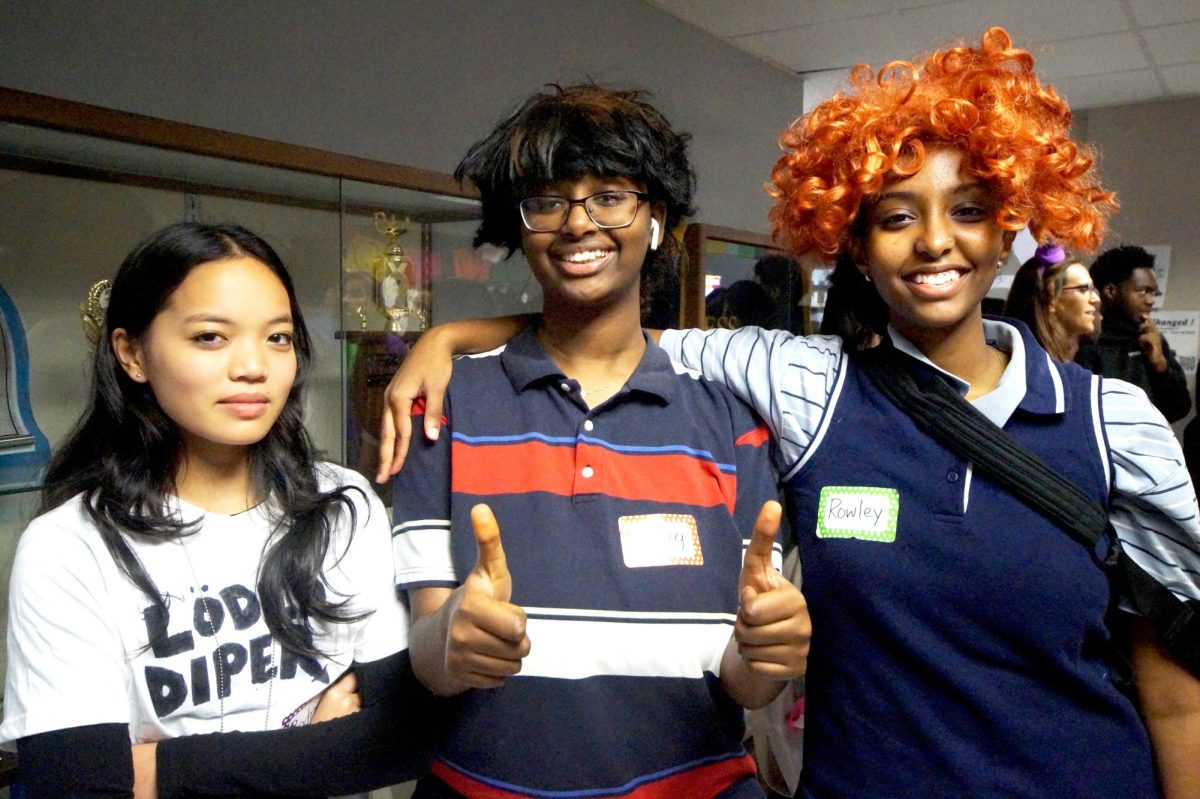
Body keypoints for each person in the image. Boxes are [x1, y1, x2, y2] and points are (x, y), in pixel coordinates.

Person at [376, 29, 1200, 799]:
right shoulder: (808, 388)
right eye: (897, 216)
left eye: (971, 210)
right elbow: (613, 325)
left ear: (1011, 223)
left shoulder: (1115, 424)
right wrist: (448, 339)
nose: (935, 242)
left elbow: (1177, 696)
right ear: (853, 237)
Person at [388, 84, 810, 799]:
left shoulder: (730, 412)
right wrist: (453, 637)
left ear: (657, 220)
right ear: (521, 229)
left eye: (611, 195)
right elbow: (430, 653)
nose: (578, 223)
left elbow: (741, 678)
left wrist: (770, 654)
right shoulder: (449, 404)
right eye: (549, 201)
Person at [2, 222, 434, 799]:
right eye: (210, 337)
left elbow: (404, 736)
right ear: (131, 353)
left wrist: (154, 770)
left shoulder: (344, 506)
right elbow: (77, 785)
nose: (253, 366)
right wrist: (315, 743)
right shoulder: (71, 545)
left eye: (278, 338)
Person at [1076, 244, 1192, 421]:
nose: (1151, 301)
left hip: (1149, 444)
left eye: (1154, 293)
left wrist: (1161, 366)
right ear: (1110, 291)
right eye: (1143, 291)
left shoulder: (1153, 340)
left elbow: (1180, 409)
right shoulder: (1083, 341)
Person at [1003, 242, 1102, 362]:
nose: (1096, 299)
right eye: (1083, 289)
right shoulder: (1022, 365)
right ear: (1050, 297)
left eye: (1092, 288)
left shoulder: (1094, 360)